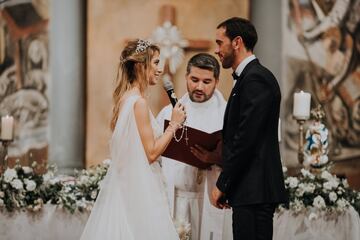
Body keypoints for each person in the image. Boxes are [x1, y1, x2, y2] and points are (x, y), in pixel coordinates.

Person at [80, 39, 186, 240]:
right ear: (140, 66)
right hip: (139, 194)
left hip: (127, 189)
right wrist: (174, 124)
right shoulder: (138, 103)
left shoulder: (125, 99)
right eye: (155, 63)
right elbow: (152, 153)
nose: (160, 69)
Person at [211, 17, 288, 240]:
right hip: (248, 189)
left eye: (219, 42)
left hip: (255, 190)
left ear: (236, 42)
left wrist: (223, 183)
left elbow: (245, 139)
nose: (217, 50)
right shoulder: (248, 78)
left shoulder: (256, 79)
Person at [157, 53, 232, 240]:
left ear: (216, 81)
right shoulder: (169, 112)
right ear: (186, 77)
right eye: (194, 79)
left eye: (207, 81)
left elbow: (241, 156)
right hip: (175, 197)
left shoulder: (227, 115)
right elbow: (154, 154)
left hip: (209, 197)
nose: (199, 87)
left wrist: (215, 158)